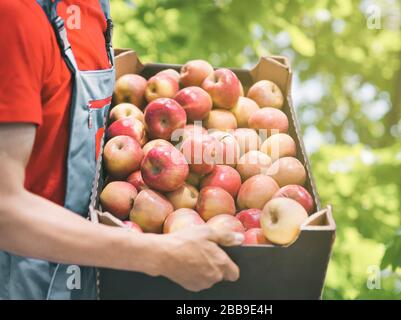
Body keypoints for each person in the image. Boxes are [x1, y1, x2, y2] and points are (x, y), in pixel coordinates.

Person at [0, 0, 241, 300]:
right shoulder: (14, 17)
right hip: (23, 281)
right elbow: (5, 211)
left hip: (88, 269)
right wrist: (156, 254)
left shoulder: (94, 9)